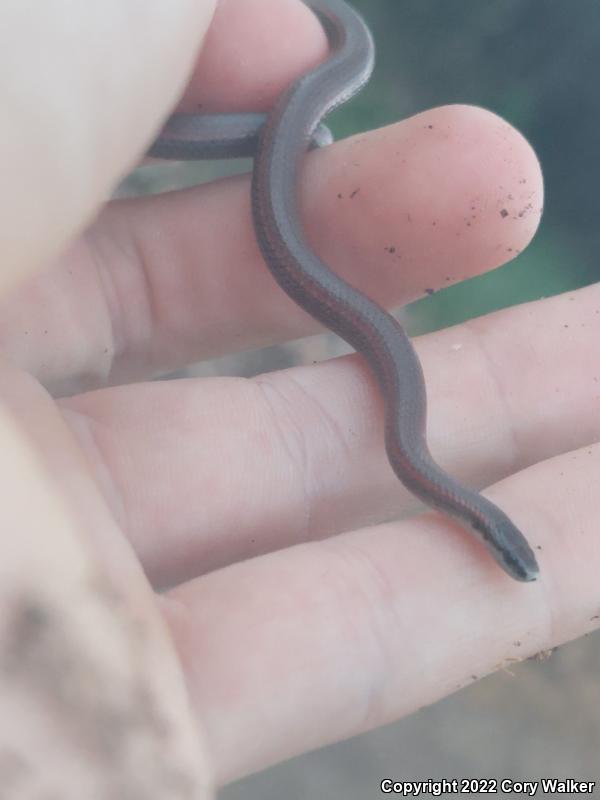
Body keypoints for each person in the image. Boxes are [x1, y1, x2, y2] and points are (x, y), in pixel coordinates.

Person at [4, 0, 589, 797]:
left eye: (509, 556)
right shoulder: (419, 467)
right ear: (485, 531)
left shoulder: (416, 463)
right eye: (510, 555)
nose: (510, 563)